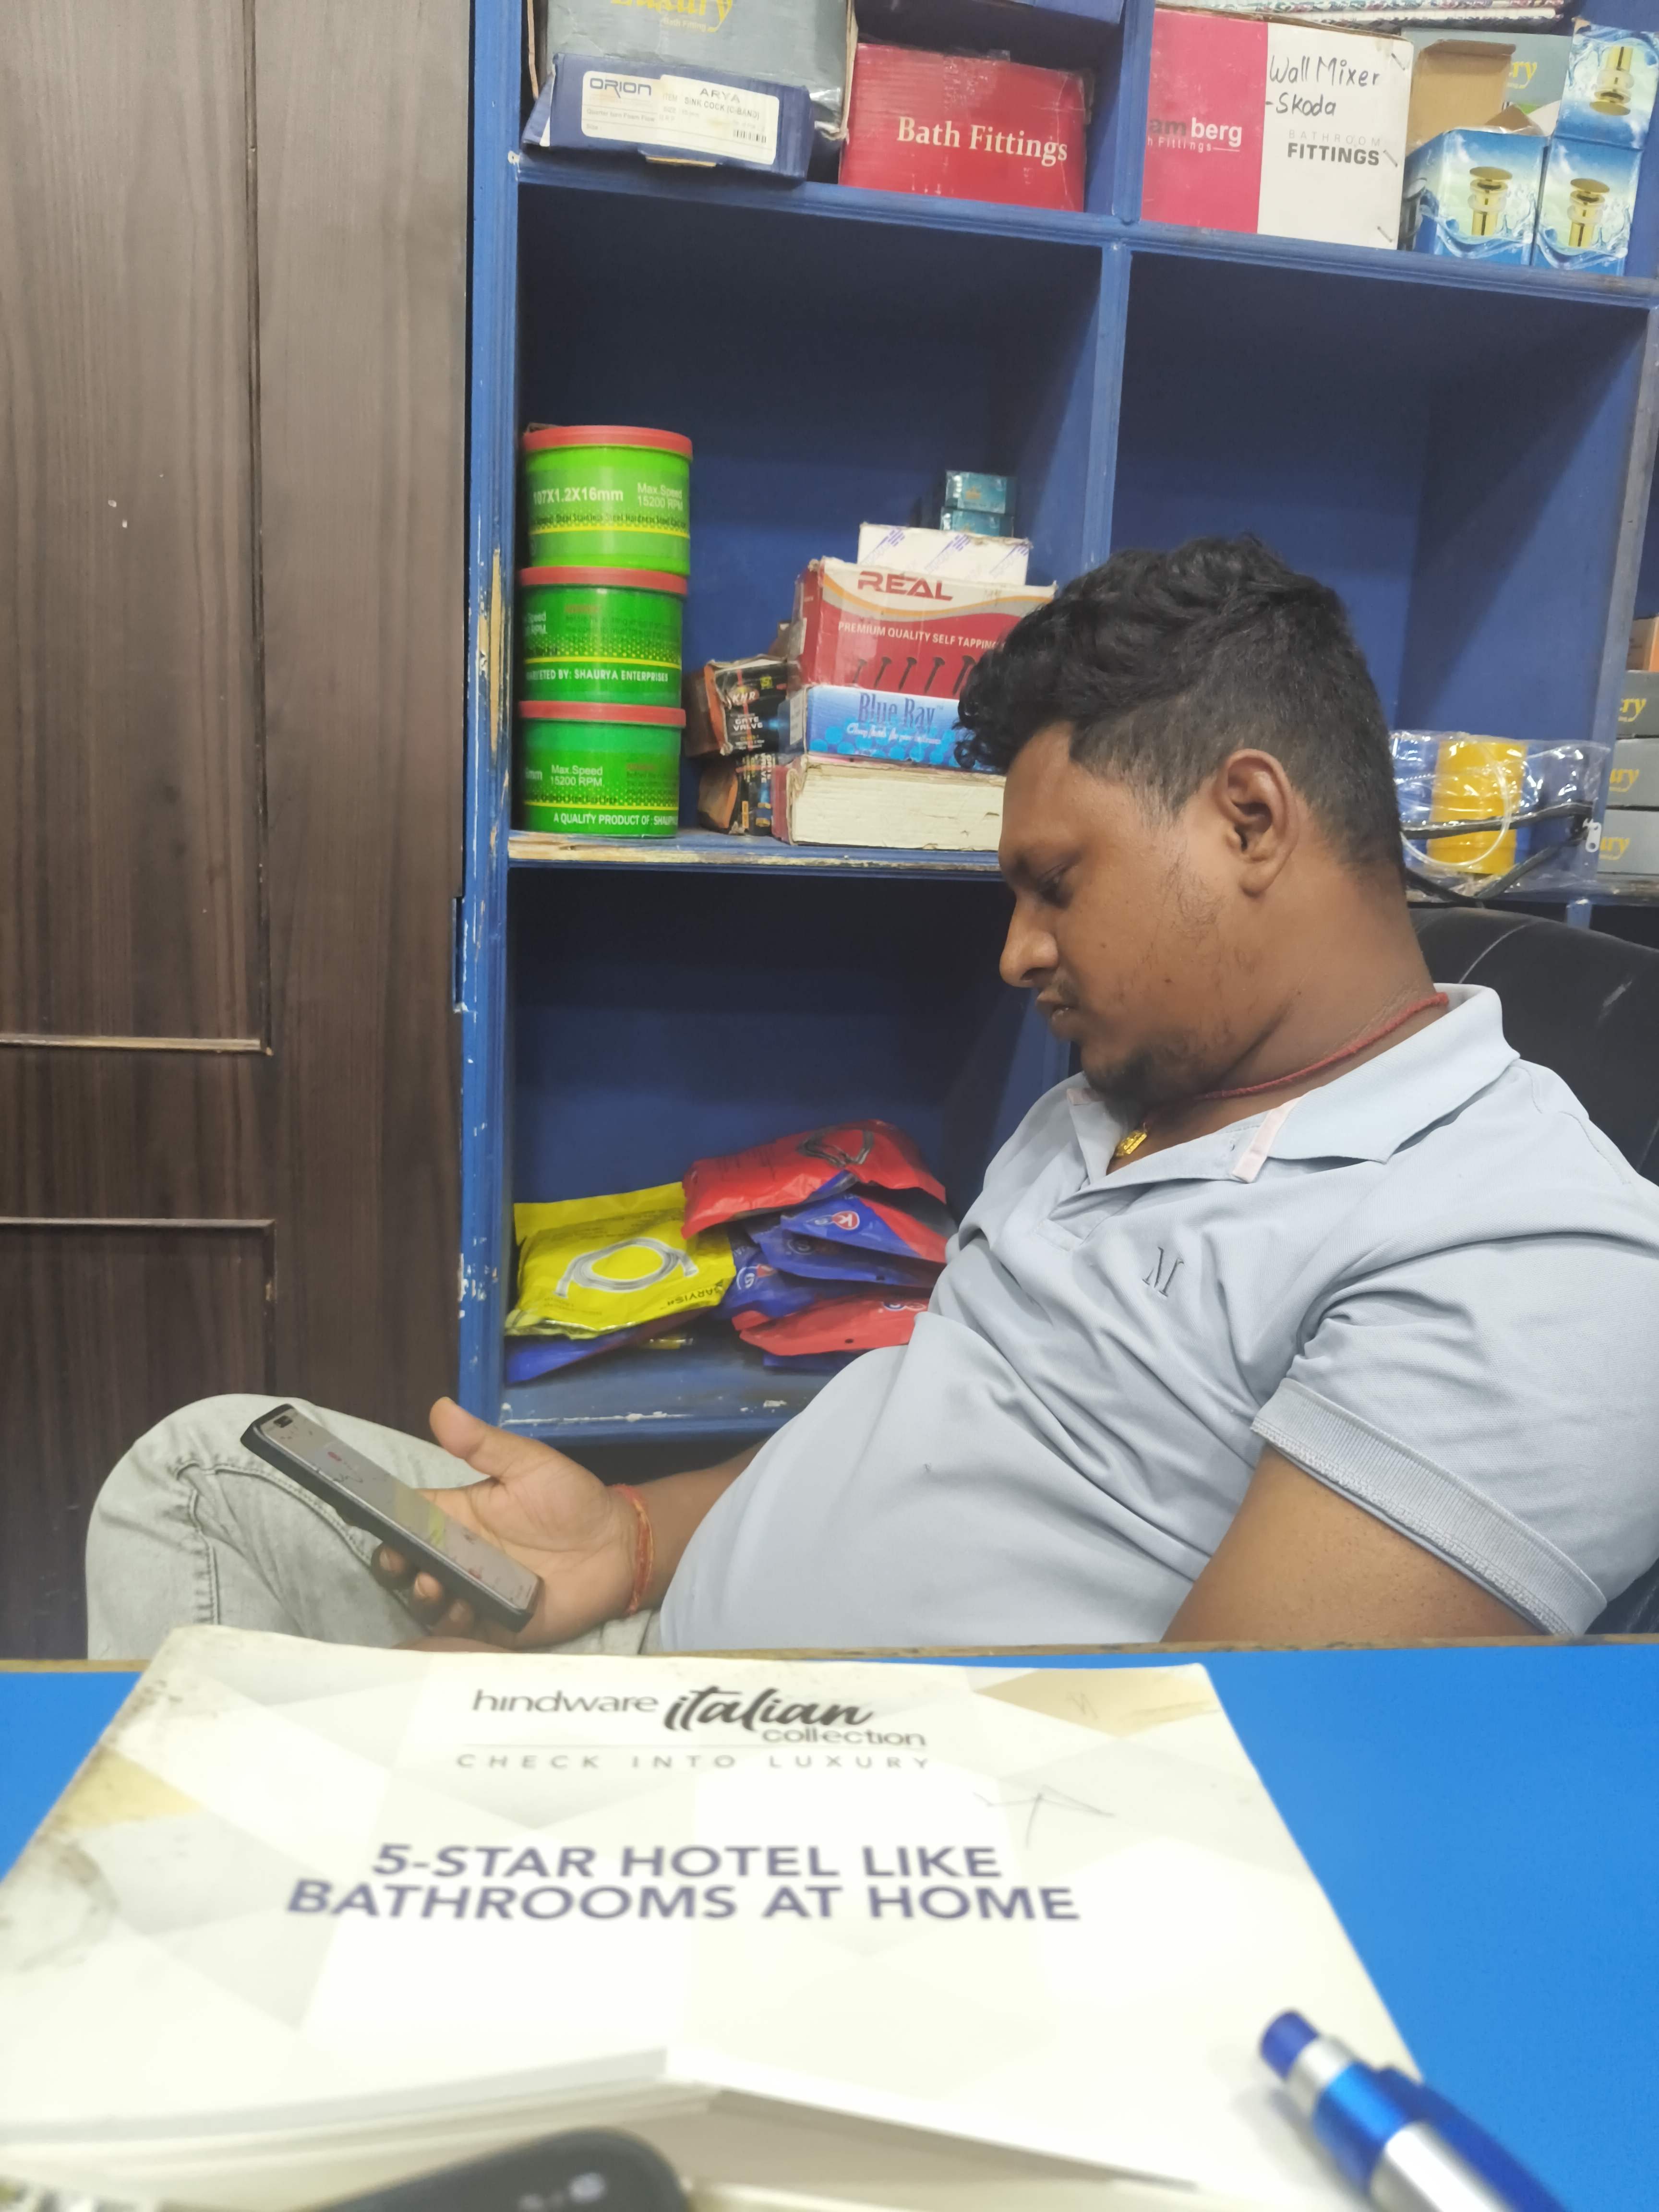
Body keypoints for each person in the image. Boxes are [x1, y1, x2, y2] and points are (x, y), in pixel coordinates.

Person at [86, 537, 1659, 1660]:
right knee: (206, 1476)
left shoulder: (1526, 1257)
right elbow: (926, 1426)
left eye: (1055, 884)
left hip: (856, 1824)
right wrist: (634, 1538)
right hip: (666, 1656)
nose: (1016, 952)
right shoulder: (1116, 1102)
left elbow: (1223, 1803)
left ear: (1251, 817)